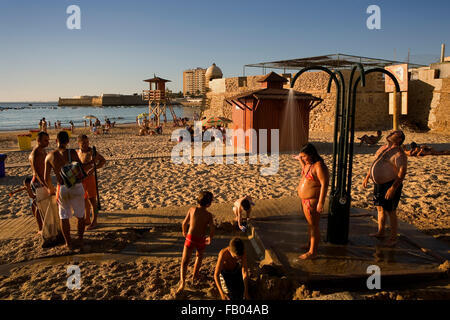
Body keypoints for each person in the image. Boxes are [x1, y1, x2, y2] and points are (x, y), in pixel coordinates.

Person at [363, 130, 408, 247]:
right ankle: (381, 231)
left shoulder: (399, 154)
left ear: (399, 139)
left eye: (394, 134)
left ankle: (393, 238)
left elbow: (402, 172)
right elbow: (375, 162)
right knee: (379, 208)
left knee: (390, 211)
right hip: (379, 184)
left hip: (390, 184)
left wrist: (393, 188)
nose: (391, 133)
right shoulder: (383, 148)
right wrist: (367, 176)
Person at [44, 131, 86, 250]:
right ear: (67, 141)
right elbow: (80, 168)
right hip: (76, 186)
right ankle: (80, 240)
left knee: (64, 216)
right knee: (80, 215)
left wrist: (50, 188)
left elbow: (45, 176)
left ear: (56, 141)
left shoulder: (49, 156)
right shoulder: (72, 152)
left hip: (62, 187)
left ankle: (68, 243)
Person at [293, 143, 329, 260]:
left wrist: (320, 202)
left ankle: (313, 252)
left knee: (314, 226)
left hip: (313, 202)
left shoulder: (319, 166)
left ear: (311, 155)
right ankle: (310, 245)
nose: (303, 158)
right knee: (310, 225)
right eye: (301, 156)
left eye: (304, 156)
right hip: (305, 201)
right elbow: (304, 168)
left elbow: (324, 184)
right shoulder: (309, 164)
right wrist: (300, 160)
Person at [176, 191, 215, 294]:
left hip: (190, 238)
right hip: (201, 239)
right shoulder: (209, 215)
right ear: (208, 204)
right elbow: (212, 229)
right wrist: (210, 237)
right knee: (199, 256)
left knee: (184, 261)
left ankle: (182, 283)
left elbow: (184, 223)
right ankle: (195, 275)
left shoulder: (192, 210)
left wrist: (184, 232)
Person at [77, 134, 106, 230]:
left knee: (92, 200)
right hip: (81, 179)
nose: (86, 144)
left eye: (87, 142)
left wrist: (94, 168)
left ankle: (94, 221)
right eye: (83, 143)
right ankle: (87, 219)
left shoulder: (92, 152)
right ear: (79, 143)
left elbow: (102, 161)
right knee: (84, 200)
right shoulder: (77, 152)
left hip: (89, 179)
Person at [28, 131, 50, 232]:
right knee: (38, 206)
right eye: (45, 140)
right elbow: (36, 172)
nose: (48, 142)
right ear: (38, 140)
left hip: (43, 181)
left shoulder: (43, 151)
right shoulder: (35, 154)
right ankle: (40, 228)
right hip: (37, 182)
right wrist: (44, 184)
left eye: (48, 140)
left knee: (43, 205)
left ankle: (44, 225)